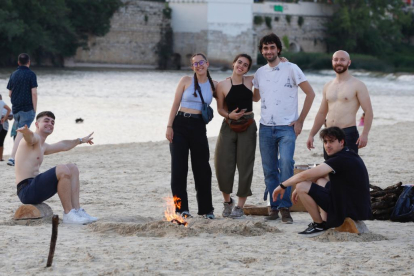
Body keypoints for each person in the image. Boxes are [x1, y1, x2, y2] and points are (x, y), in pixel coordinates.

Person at [253, 33, 315, 223]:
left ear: (278, 49)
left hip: (287, 127)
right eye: (265, 48)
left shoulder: (291, 68)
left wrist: (300, 121)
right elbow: (255, 97)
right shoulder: (259, 73)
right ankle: (274, 207)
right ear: (262, 51)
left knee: (286, 164)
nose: (268, 51)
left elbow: (310, 94)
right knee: (269, 169)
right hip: (265, 128)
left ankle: (285, 207)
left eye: (272, 47)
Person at [272, 127, 372, 237]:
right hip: (357, 207)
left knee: (301, 186)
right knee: (320, 180)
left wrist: (282, 186)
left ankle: (318, 224)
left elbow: (304, 175)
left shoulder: (339, 159)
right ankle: (325, 222)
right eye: (325, 142)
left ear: (341, 142)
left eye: (331, 141)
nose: (327, 145)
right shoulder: (348, 154)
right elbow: (320, 174)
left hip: (349, 209)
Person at [15, 111, 97, 224]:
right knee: (62, 169)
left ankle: (77, 210)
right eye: (46, 121)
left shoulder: (43, 146)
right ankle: (68, 213)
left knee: (73, 168)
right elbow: (30, 137)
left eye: (52, 122)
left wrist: (81, 140)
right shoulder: (33, 140)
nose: (50, 123)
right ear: (37, 124)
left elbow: (63, 145)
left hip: (35, 187)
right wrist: (26, 132)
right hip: (26, 190)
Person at [166, 53, 217, 219]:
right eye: (195, 63)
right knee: (179, 169)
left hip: (198, 126)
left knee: (202, 169)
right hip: (180, 124)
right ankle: (182, 209)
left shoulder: (214, 85)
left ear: (207, 64)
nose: (199, 65)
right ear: (192, 67)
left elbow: (234, 83)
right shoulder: (185, 80)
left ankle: (206, 210)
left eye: (201, 62)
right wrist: (169, 126)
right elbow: (175, 104)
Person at [306, 50, 373, 159]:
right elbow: (322, 113)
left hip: (348, 132)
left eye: (342, 59)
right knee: (330, 168)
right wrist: (311, 134)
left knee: (348, 168)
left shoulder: (358, 85)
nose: (339, 62)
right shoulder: (328, 86)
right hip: (329, 133)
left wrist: (365, 134)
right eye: (336, 60)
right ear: (332, 62)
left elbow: (368, 111)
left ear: (349, 62)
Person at [214, 54, 256, 218]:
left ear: (248, 68)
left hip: (248, 125)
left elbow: (270, 71)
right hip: (229, 125)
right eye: (239, 62)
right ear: (233, 63)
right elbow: (220, 109)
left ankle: (239, 206)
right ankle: (227, 202)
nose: (241, 66)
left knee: (245, 165)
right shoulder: (222, 85)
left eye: (245, 65)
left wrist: (283, 61)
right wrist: (230, 116)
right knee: (222, 163)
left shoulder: (251, 80)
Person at [6, 53, 38, 166]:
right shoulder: (31, 74)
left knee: (20, 132)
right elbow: (34, 93)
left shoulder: (13, 74)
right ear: (29, 62)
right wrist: (34, 109)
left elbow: (10, 94)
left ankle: (23, 156)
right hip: (27, 108)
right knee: (21, 132)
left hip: (16, 108)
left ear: (18, 62)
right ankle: (12, 157)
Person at [0, 94, 12, 161]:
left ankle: (0, 157)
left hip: (4, 126)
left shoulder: (3, 105)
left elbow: (11, 116)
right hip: (3, 125)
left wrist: (4, 118)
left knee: (1, 141)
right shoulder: (3, 104)